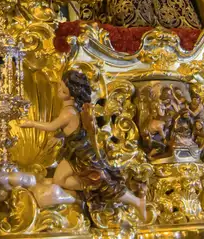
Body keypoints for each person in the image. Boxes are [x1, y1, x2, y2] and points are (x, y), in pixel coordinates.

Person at [20, 70, 146, 218]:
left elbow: (51, 126)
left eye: (63, 89)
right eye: (60, 86)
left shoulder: (68, 112)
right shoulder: (74, 109)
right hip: (74, 152)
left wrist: (30, 123)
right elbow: (72, 130)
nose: (58, 91)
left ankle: (137, 202)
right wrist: (60, 136)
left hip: (82, 154)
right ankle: (89, 190)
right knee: (61, 180)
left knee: (104, 185)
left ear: (72, 94)